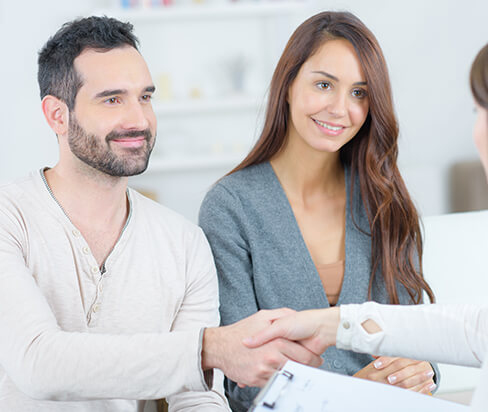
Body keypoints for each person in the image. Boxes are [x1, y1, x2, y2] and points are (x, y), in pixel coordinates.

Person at [245, 9, 488, 412]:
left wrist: (377, 383)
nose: (340, 108)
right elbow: (475, 329)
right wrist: (335, 325)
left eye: (477, 113)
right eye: (324, 84)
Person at [0, 16, 322, 411]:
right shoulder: (9, 218)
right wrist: (208, 349)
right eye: (112, 99)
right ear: (57, 115)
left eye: (145, 97)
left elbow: (198, 397)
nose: (139, 120)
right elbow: (37, 363)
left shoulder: (184, 243)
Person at [199, 11, 438, 411]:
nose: (341, 109)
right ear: (288, 85)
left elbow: (418, 338)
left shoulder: (385, 198)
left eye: (359, 93)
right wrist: (352, 393)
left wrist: (421, 370)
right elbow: (240, 382)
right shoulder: (230, 207)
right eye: (324, 85)